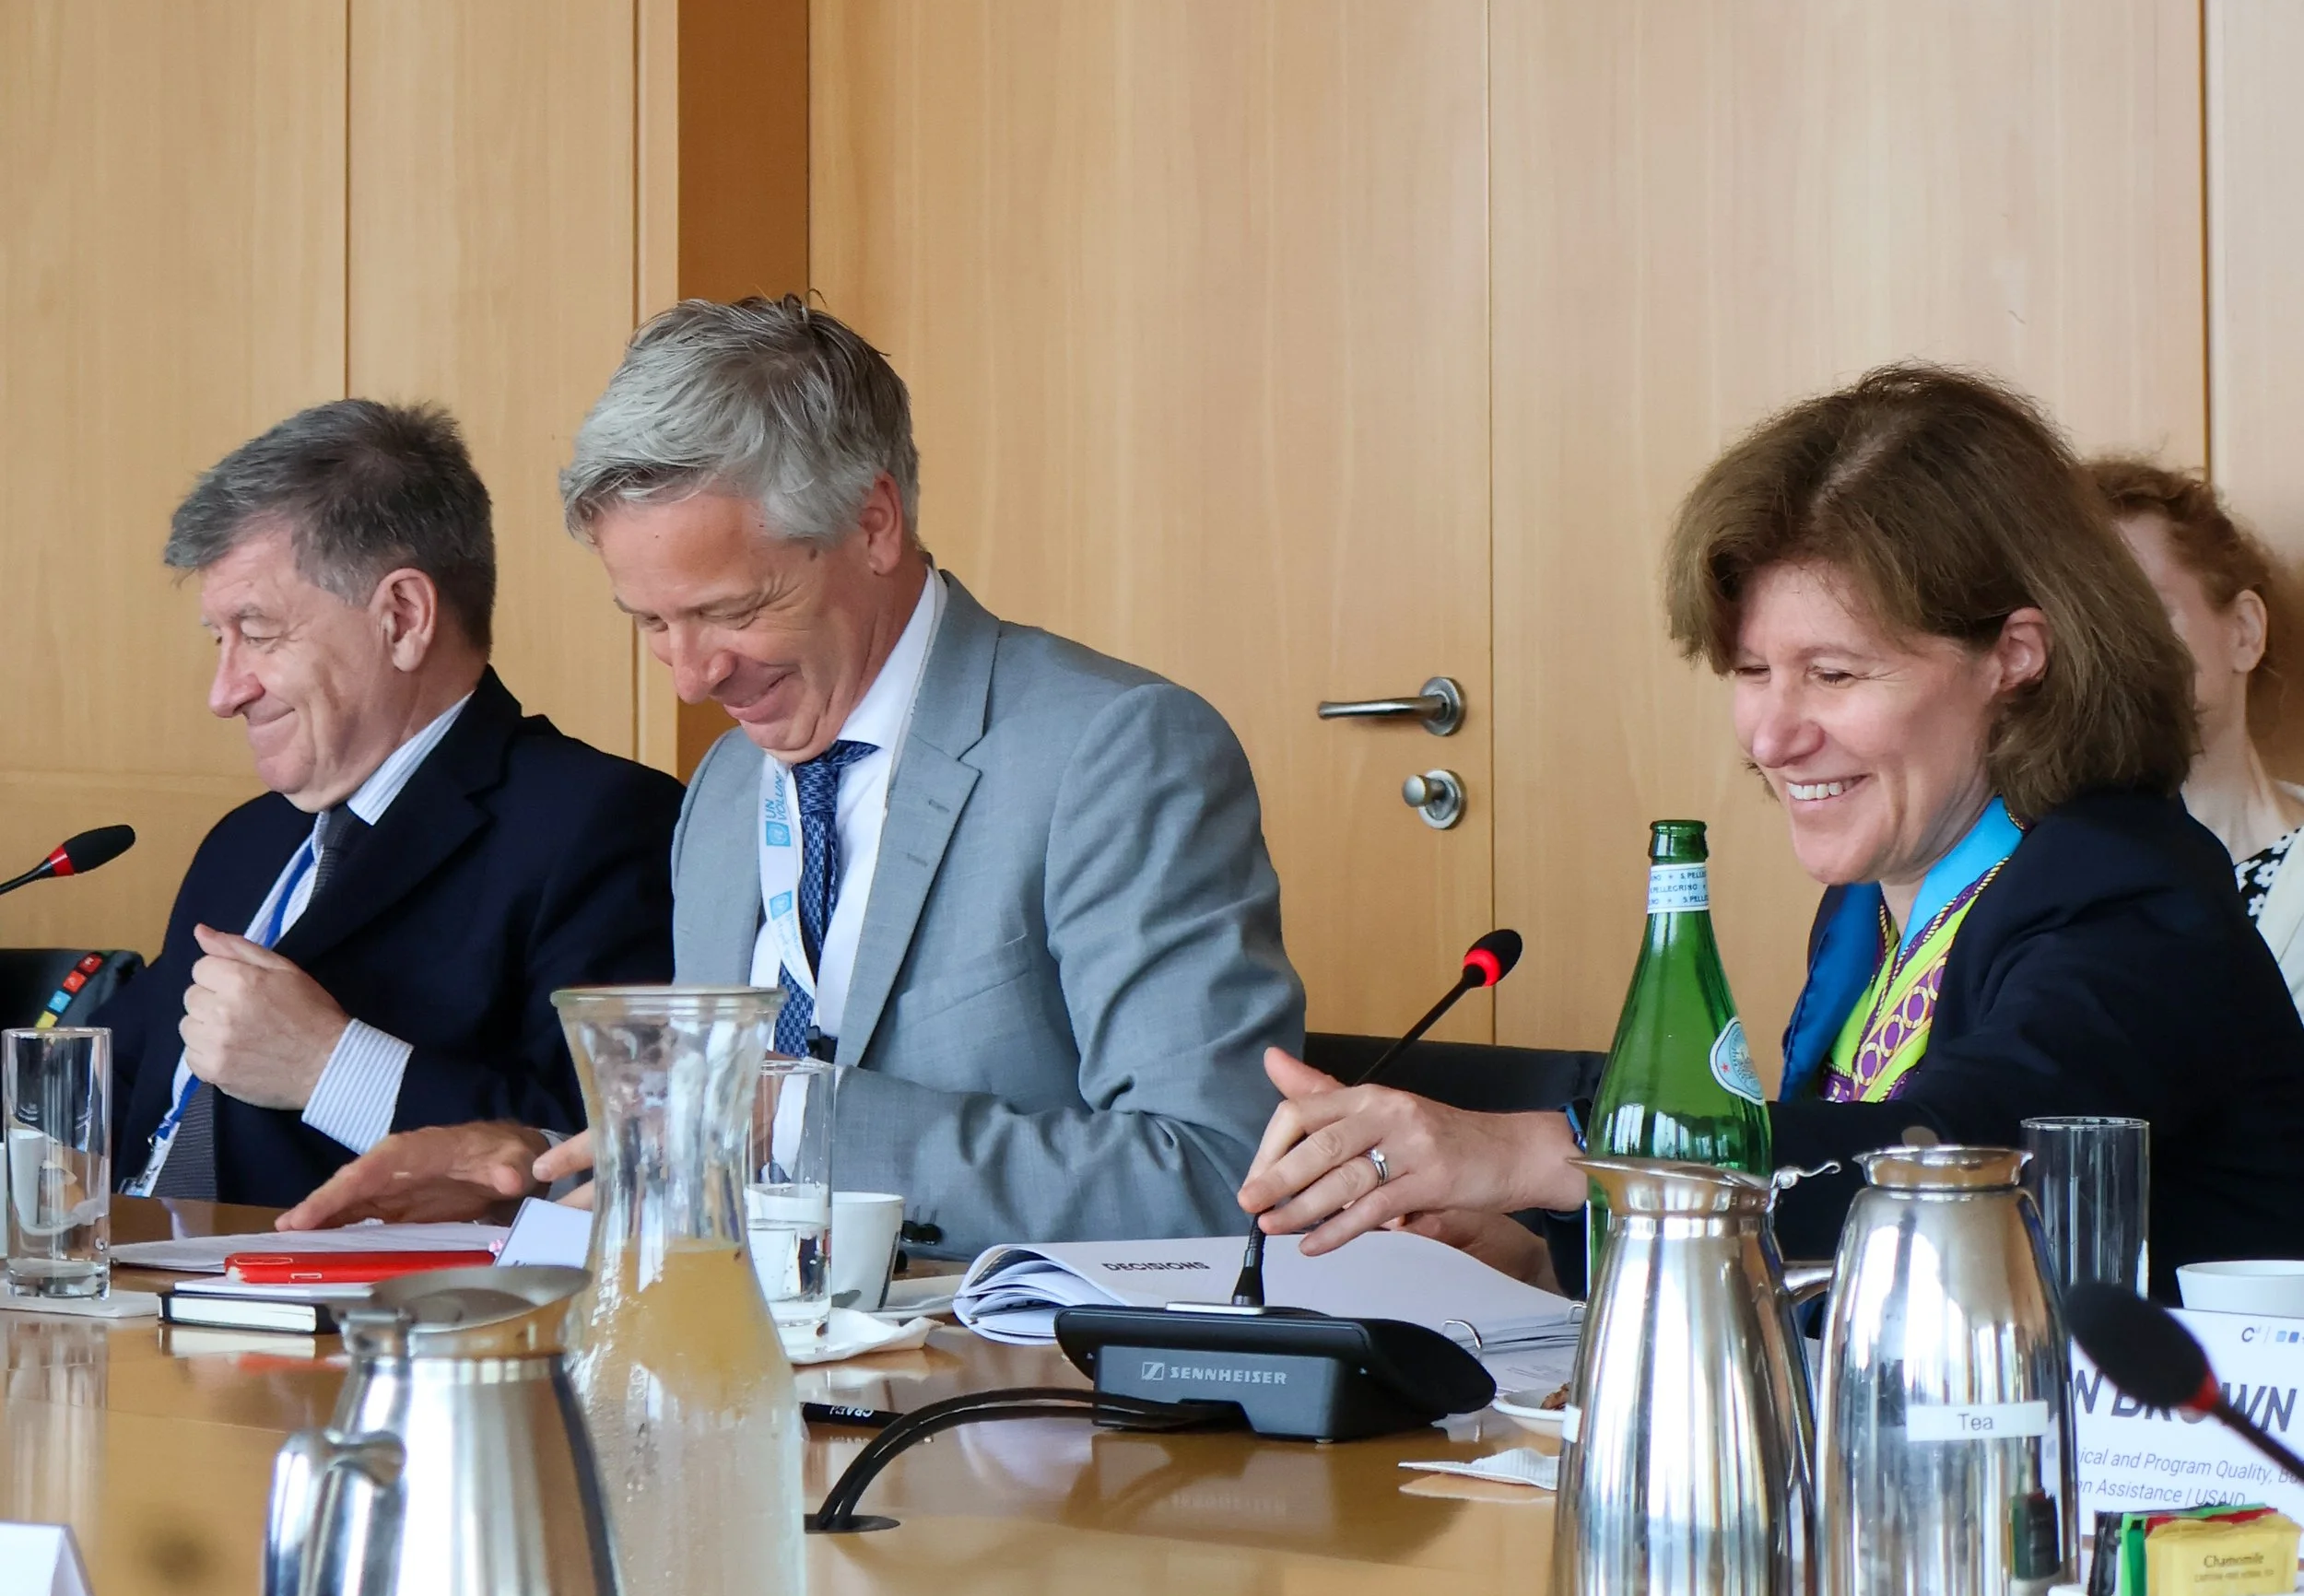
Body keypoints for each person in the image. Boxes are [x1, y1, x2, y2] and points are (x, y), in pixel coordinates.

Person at [1240, 365, 2304, 1294]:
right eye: (1750, 671)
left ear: (2014, 656)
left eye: (1833, 673)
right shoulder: (1874, 901)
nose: (1771, 736)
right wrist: (1551, 1256)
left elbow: (1949, 1161)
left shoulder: (2126, 890)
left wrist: (1541, 1153)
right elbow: (1819, 1202)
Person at [284, 298, 1304, 1250]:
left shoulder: (1113, 753)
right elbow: (716, 1160)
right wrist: (528, 1177)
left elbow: (1217, 1180)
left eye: (731, 610)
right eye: (650, 622)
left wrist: (796, 1118)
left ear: (872, 523)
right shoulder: (726, 793)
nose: (691, 678)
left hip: (1008, 1411)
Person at [105, 401, 680, 1210]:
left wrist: (329, 1066)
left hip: (350, 1320)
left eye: (259, 632)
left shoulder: (601, 825)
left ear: (402, 618)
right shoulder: (245, 841)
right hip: (116, 1298)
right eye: (218, 639)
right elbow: (103, 1092)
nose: (223, 692)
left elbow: (613, 1158)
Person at [2090, 456, 2304, 1014]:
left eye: (2145, 612)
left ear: (2244, 632)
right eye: (2086, 624)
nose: (2113, 650)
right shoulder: (2032, 876)